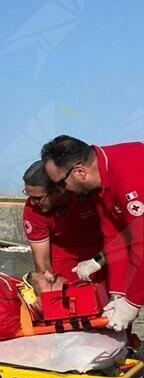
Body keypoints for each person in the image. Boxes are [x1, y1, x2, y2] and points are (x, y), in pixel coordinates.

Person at [40, 136, 144, 332]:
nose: (63, 191)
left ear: (79, 172)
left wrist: (131, 302)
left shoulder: (130, 171)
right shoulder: (98, 187)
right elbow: (115, 236)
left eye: (61, 184)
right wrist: (117, 295)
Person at [21, 161, 105, 283]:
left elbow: (118, 233)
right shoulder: (33, 211)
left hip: (101, 246)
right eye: (28, 195)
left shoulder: (86, 193)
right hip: (63, 252)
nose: (32, 203)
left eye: (38, 198)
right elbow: (42, 262)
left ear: (59, 190)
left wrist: (99, 260)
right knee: (66, 290)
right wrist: (49, 289)